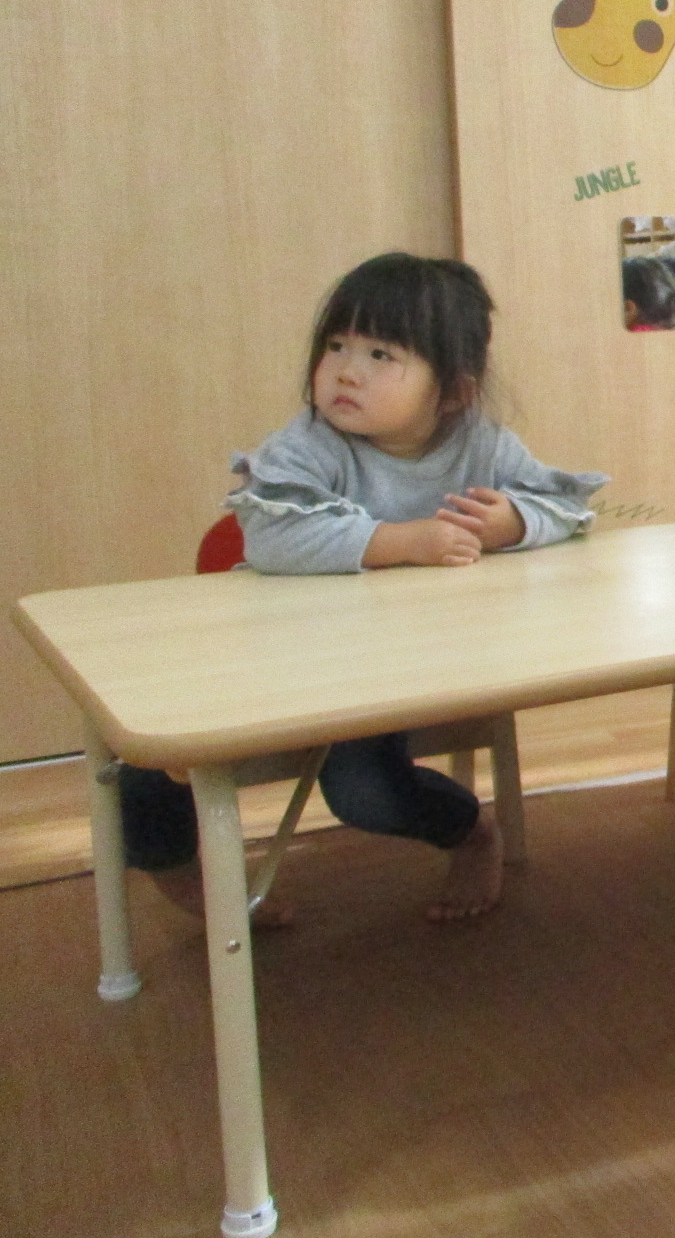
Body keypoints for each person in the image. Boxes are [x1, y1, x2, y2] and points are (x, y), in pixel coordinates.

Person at [118, 254, 607, 922]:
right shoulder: (310, 445)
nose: (347, 371)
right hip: (277, 657)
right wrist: (399, 541)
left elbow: (570, 508)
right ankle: (180, 872)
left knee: (364, 795)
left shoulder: (481, 446)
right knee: (144, 750)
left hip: (390, 676)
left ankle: (472, 834)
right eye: (336, 346)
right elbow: (273, 538)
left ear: (454, 392)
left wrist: (514, 521)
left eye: (380, 355)